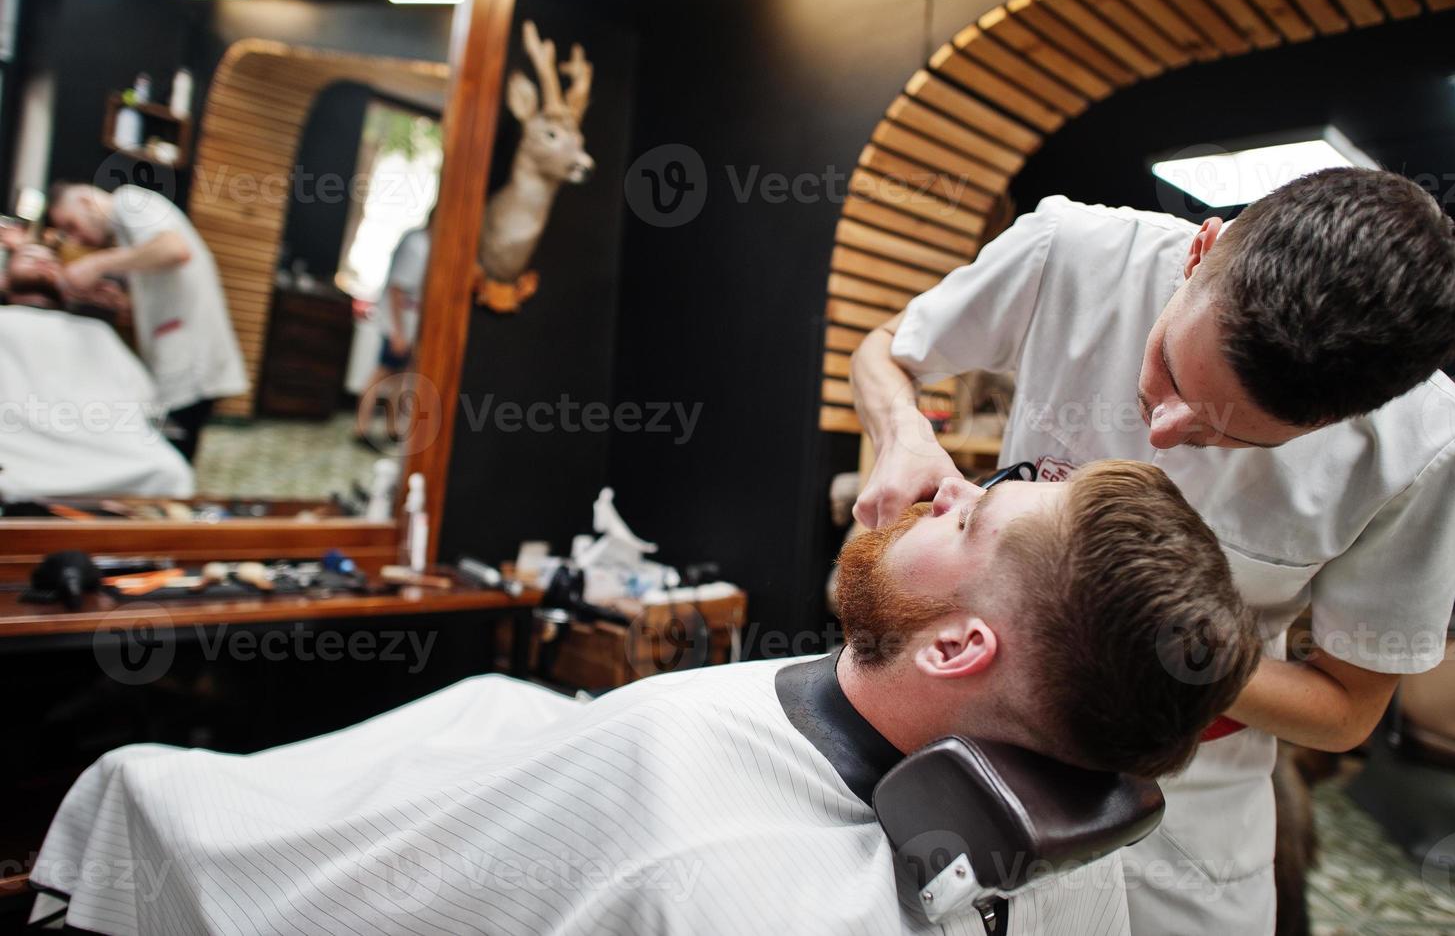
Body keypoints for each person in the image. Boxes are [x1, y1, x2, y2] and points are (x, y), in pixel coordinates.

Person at [30, 460, 1259, 935]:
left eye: (974, 516)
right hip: (519, 754)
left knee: (145, 782)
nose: (941, 491)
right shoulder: (1077, 872)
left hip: (366, 843)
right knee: (497, 711)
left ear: (956, 651)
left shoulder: (703, 874)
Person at [850, 168, 1455, 932]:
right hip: (977, 739)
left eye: (1225, 434)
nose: (1164, 431)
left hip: (1190, 807)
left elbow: (1345, 711)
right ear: (1201, 250)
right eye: (1170, 372)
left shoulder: (1425, 448)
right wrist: (902, 432)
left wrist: (1158, 641)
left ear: (1340, 420)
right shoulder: (1069, 251)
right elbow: (886, 352)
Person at [47, 182, 247, 462]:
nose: (76, 238)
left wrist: (97, 263)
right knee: (171, 449)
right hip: (181, 357)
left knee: (172, 453)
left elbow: (174, 250)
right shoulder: (125, 232)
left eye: (71, 225)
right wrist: (124, 301)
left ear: (85, 200)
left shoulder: (129, 201)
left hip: (191, 360)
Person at [356, 220, 431, 444]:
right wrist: (399, 333)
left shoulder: (425, 242)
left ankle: (392, 429)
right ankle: (361, 429)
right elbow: (398, 289)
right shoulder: (416, 244)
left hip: (409, 323)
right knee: (381, 374)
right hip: (399, 323)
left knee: (401, 377)